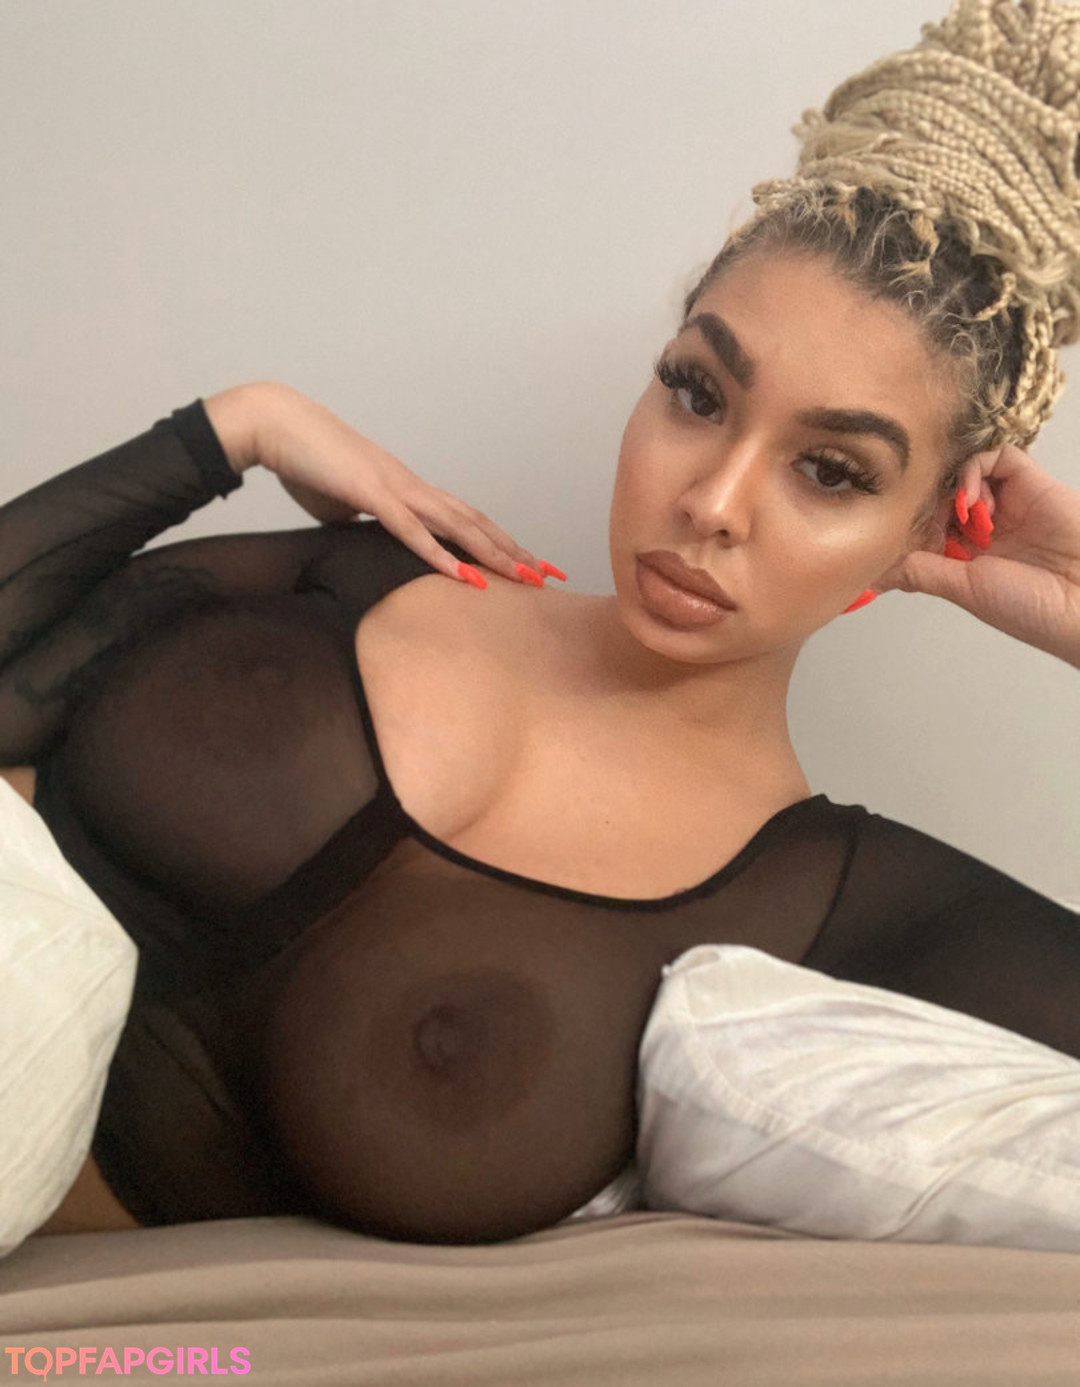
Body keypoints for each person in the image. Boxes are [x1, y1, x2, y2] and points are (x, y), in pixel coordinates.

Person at [5, 0, 1080, 1246]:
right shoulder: (370, 578)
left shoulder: (836, 899)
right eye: (698, 394)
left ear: (932, 527)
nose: (712, 501)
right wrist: (233, 428)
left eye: (831, 471)